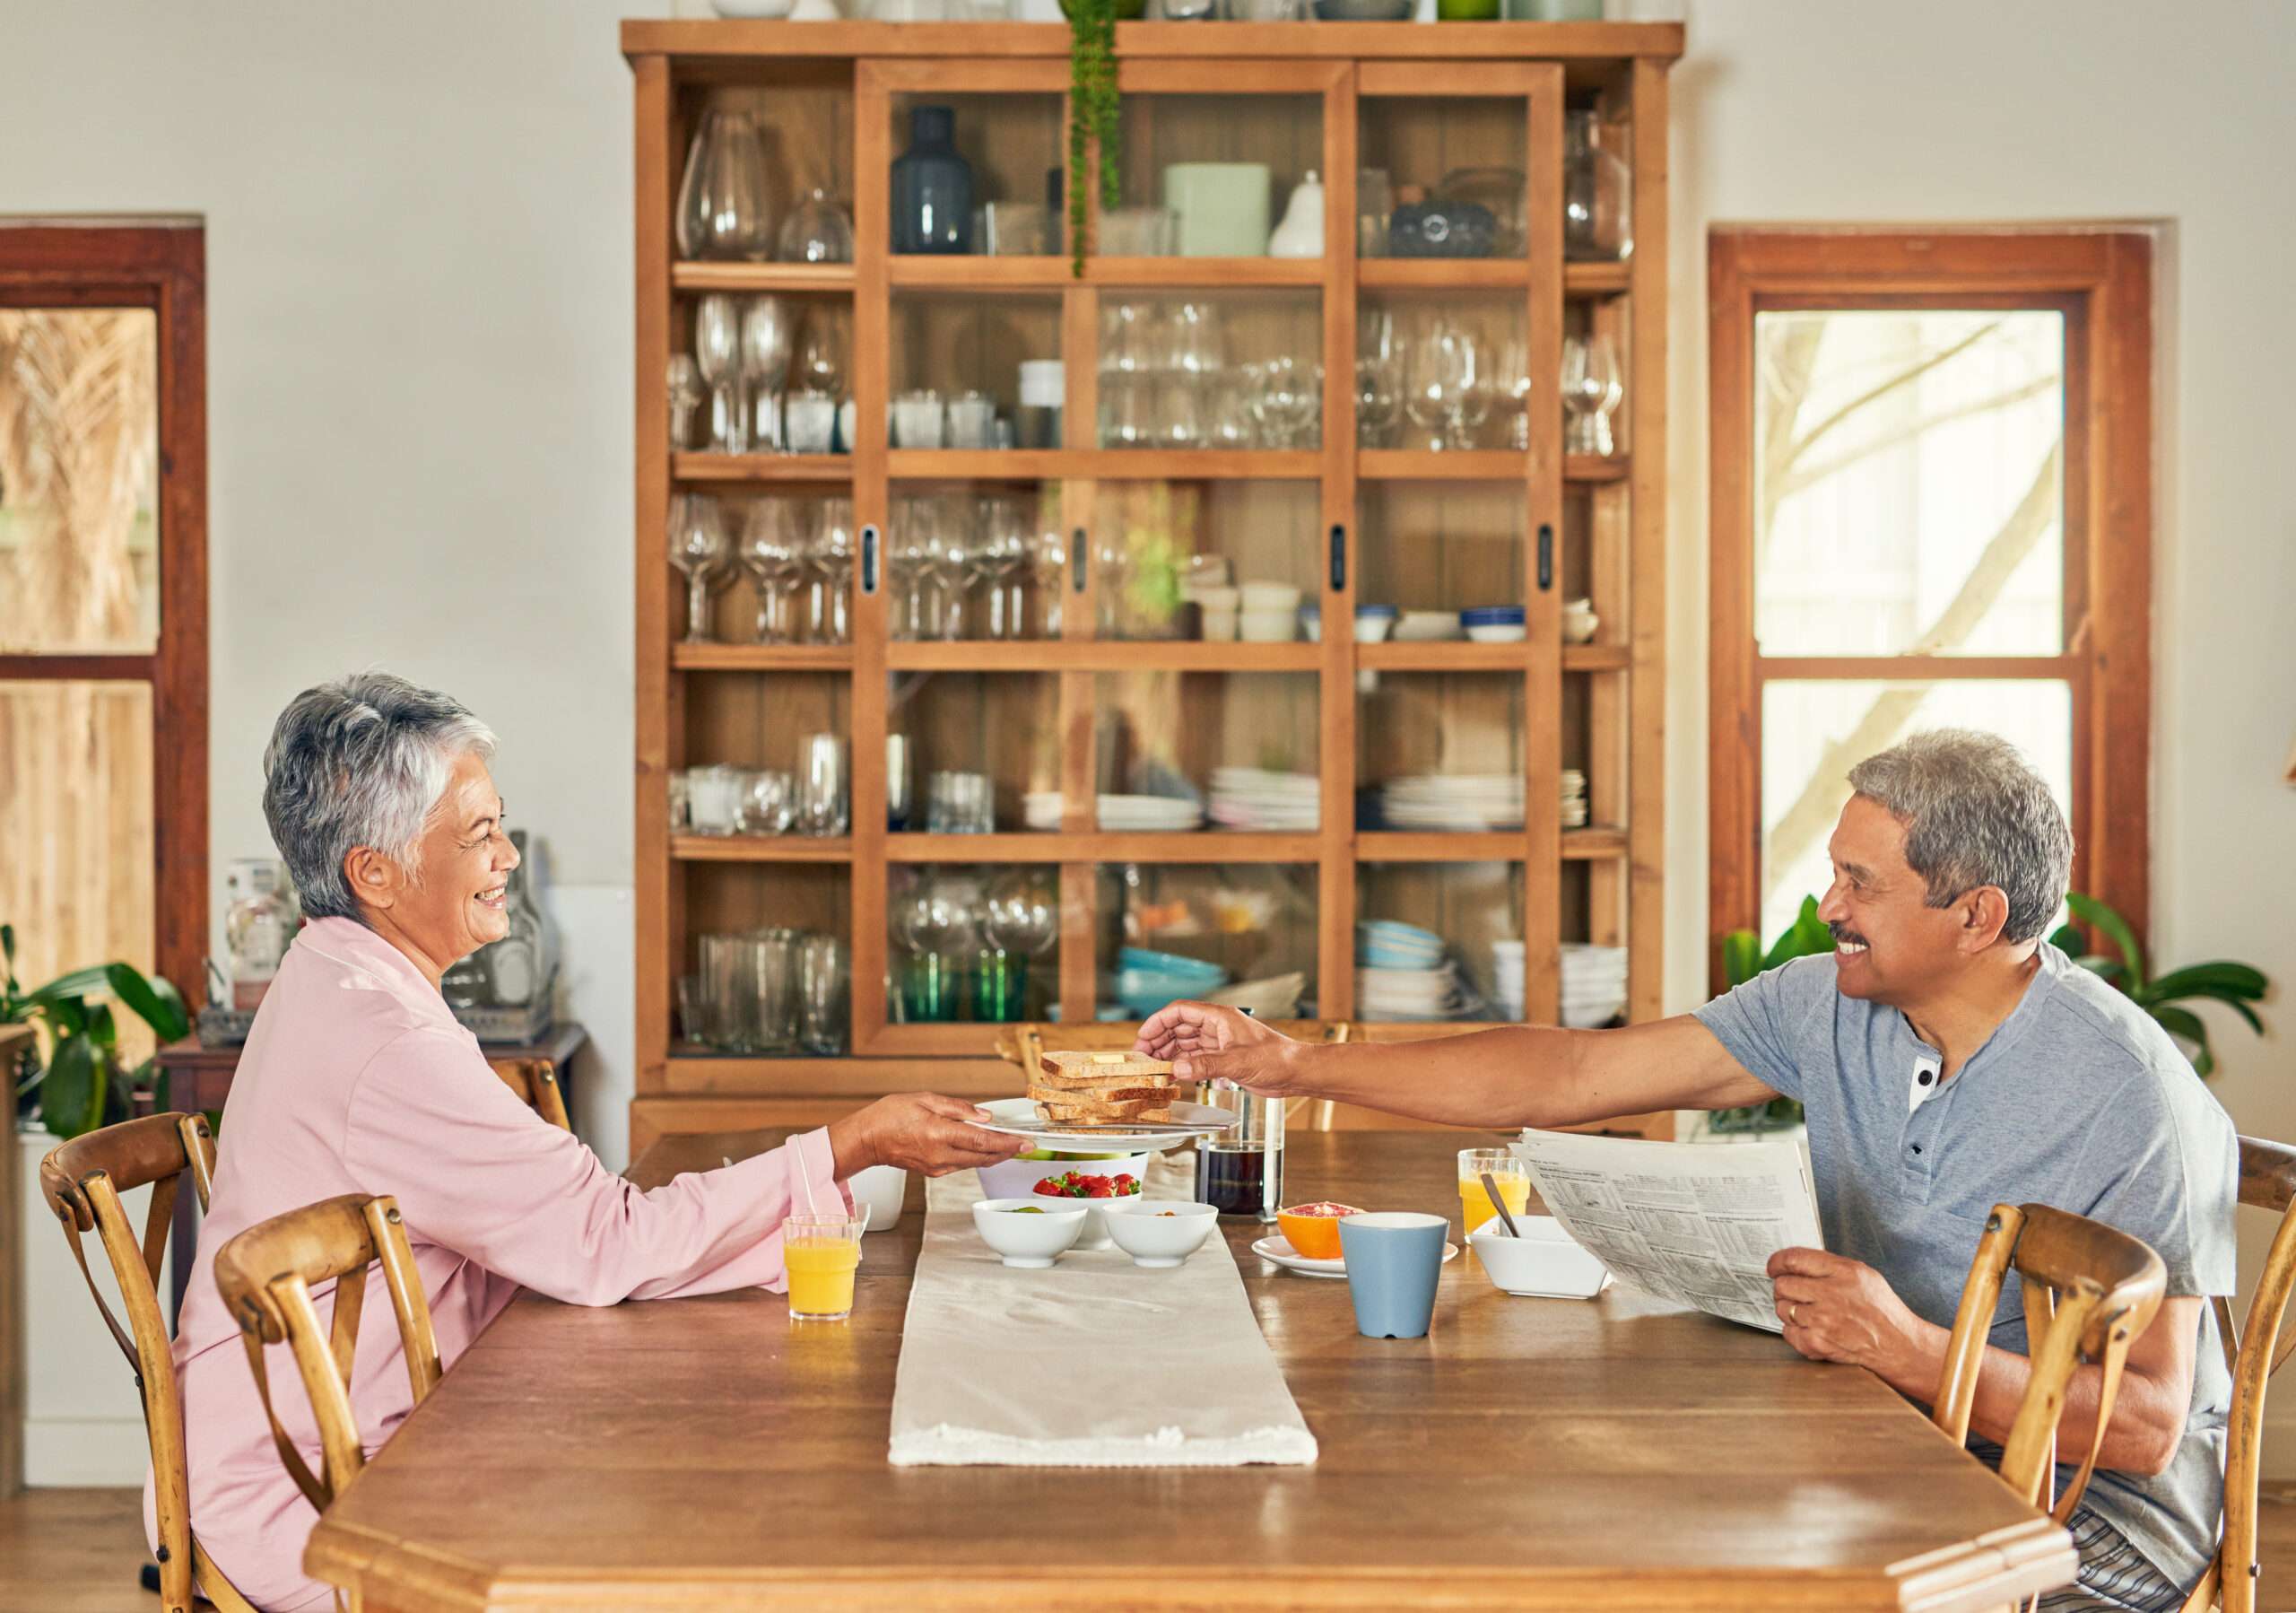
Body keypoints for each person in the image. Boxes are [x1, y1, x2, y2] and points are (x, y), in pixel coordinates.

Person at [1139, 730, 2235, 1613]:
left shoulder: (2128, 1094)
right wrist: (1286, 1060)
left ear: (1976, 915)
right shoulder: (1829, 1002)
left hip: (2088, 1513)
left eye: (1860, 882)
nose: (1828, 908)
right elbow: (1570, 1070)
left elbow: (2147, 1425)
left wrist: (1907, 1349)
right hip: (1898, 1438)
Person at [159, 673, 1026, 1609]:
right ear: (375, 873)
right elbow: (607, 1240)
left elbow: (583, 1234)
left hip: (359, 1434)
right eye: (477, 834)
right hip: (320, 1489)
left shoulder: (335, 973)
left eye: (500, 825)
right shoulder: (386, 1042)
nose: (505, 859)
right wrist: (848, 1144)